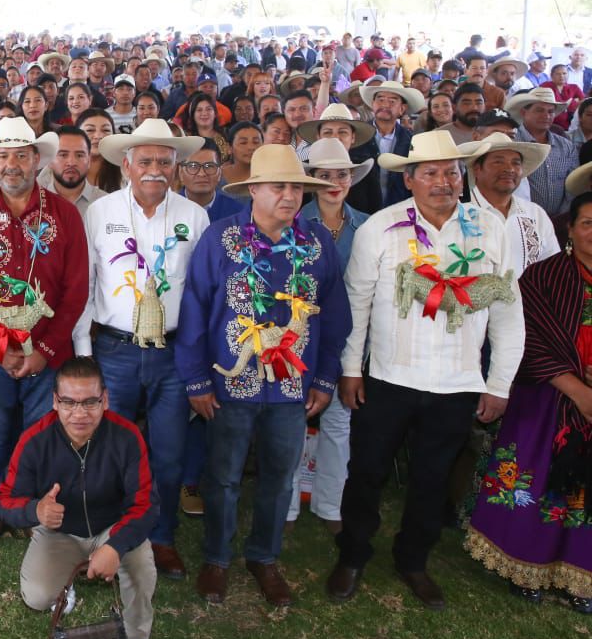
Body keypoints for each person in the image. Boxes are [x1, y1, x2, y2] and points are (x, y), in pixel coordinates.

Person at [328, 131, 524, 610]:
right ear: (409, 180)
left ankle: (413, 560)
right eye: (431, 173)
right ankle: (352, 554)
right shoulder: (382, 226)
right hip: (389, 378)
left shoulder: (489, 229)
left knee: (433, 479)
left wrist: (498, 383)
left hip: (457, 383)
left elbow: (506, 310)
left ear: (462, 179)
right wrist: (351, 368)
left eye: (451, 172)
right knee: (367, 472)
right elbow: (357, 301)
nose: (443, 182)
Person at [176, 144, 350, 607]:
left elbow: (334, 315)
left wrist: (326, 377)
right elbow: (194, 310)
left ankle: (264, 557)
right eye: (279, 186)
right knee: (224, 475)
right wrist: (196, 380)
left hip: (293, 387)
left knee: (279, 476)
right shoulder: (220, 238)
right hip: (231, 384)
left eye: (297, 187)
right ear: (253, 189)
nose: (289, 196)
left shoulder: (317, 243)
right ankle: (217, 557)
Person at [0, 117, 89, 561]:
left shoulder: (64, 215)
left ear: (36, 161)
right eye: (2, 156)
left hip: (46, 356)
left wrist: (43, 352)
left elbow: (76, 289)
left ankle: (31, 516)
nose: (11, 165)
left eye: (20, 156)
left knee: (40, 436)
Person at [74, 117, 206, 580]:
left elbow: (200, 293)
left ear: (176, 167)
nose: (154, 169)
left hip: (172, 354)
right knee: (109, 449)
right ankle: (112, 538)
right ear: (126, 165)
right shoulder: (101, 212)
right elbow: (87, 284)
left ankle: (162, 536)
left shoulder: (194, 217)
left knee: (168, 454)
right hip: (114, 350)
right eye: (145, 160)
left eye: (164, 162)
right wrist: (84, 349)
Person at [465, 192, 592, 614]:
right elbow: (529, 340)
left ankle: (579, 577)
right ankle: (524, 568)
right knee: (532, 485)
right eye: (587, 223)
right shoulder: (542, 278)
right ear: (569, 229)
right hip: (547, 404)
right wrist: (577, 390)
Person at [0, 358, 157, 639]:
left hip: (114, 527)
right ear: (55, 401)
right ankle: (65, 588)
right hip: (60, 532)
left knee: (142, 569)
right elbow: (5, 501)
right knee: (36, 595)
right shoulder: (34, 440)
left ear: (105, 400)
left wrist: (115, 546)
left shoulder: (127, 436)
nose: (79, 413)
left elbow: (147, 504)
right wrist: (36, 510)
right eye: (69, 402)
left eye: (90, 402)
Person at [284, 138, 371, 535]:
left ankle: (330, 504)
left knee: (339, 423)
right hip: (301, 337)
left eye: (342, 174)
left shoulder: (369, 226)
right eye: (324, 176)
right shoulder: (293, 223)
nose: (335, 182)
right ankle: (285, 505)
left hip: (353, 342)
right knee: (291, 424)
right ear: (311, 181)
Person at [462, 135, 558, 275]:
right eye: (498, 162)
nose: (509, 169)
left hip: (530, 297)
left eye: (516, 163)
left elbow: (552, 267)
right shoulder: (458, 212)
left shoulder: (535, 214)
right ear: (477, 169)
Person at [510, 88, 579, 217]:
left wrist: (561, 217)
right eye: (539, 110)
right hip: (520, 217)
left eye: (550, 111)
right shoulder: (512, 143)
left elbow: (573, 187)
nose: (546, 116)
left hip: (560, 220)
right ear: (524, 112)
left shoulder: (567, 147)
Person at [38, 126, 105, 216]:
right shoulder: (34, 202)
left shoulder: (106, 202)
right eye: (63, 155)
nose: (71, 162)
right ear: (50, 160)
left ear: (89, 160)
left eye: (79, 155)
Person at [178, 138, 240, 221]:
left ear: (220, 172)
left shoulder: (237, 212)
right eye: (193, 166)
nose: (202, 174)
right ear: (181, 172)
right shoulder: (166, 210)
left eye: (209, 166)